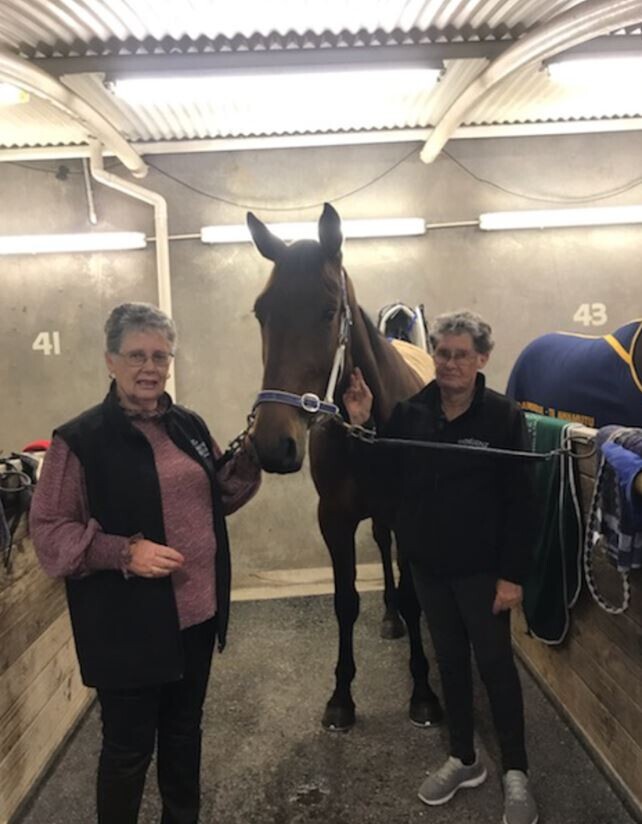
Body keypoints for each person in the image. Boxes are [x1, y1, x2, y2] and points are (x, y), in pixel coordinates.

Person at [29, 302, 261, 824]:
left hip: (195, 617)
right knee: (128, 750)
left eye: (161, 355)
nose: (150, 367)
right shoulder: (79, 440)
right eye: (136, 355)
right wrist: (122, 551)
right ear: (111, 360)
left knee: (184, 737)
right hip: (126, 626)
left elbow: (217, 496)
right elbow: (49, 533)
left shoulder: (188, 425)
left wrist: (256, 453)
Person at [342, 309, 537, 824]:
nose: (449, 364)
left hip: (481, 572)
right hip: (427, 571)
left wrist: (512, 575)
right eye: (442, 353)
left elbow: (521, 501)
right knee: (449, 663)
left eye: (461, 355)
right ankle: (464, 758)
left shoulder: (501, 417)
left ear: (482, 359)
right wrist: (363, 425)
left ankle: (516, 773)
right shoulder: (411, 413)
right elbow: (381, 479)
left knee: (495, 667)